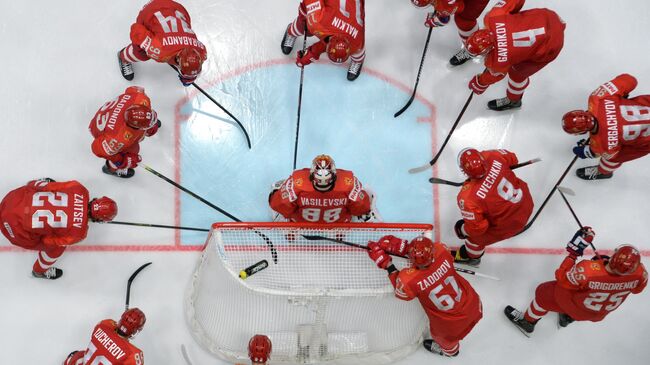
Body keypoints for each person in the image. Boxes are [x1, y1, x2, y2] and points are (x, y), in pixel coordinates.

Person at [505, 227, 647, 336]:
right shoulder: (641, 274)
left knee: (542, 293)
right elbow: (637, 289)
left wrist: (573, 253)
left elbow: (561, 278)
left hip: (576, 305)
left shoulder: (588, 271)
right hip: (597, 313)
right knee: (583, 298)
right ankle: (566, 318)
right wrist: (604, 268)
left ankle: (528, 322)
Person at [367, 235, 482, 357]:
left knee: (446, 341)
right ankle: (450, 350)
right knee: (460, 325)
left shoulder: (408, 280)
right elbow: (432, 251)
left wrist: (387, 264)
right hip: (473, 304)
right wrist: (407, 248)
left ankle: (450, 352)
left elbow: (401, 293)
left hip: (450, 326)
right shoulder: (442, 250)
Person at [0, 179, 117, 280]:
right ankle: (39, 271)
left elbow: (48, 187)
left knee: (45, 186)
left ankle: (35, 182)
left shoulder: (79, 188)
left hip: (11, 200)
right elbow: (48, 242)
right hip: (13, 229)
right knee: (55, 249)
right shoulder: (78, 233)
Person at [465, 0, 565, 110]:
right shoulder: (493, 16)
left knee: (517, 74)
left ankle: (514, 101)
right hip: (549, 17)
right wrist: (512, 20)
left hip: (552, 44)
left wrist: (480, 83)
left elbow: (494, 76)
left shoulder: (497, 61)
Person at [453, 148, 533, 266]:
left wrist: (463, 230)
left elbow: (478, 229)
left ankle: (472, 258)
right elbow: (513, 158)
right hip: (526, 202)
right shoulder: (492, 155)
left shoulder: (467, 198)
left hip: (512, 223)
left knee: (475, 238)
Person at [562, 73, 650, 180]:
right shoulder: (597, 97)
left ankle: (603, 172)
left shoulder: (601, 144)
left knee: (614, 158)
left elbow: (603, 153)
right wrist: (622, 94)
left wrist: (586, 151)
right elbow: (630, 80)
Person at [118, 0, 208, 86]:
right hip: (150, 10)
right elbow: (136, 30)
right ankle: (123, 57)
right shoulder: (159, 51)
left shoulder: (202, 50)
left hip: (175, 7)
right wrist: (145, 44)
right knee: (141, 54)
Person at [268, 154, 376, 223]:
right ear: (333, 175)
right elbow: (362, 207)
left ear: (312, 175)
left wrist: (277, 193)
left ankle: (289, 231)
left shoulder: (297, 183)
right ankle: (342, 232)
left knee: (277, 193)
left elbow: (276, 204)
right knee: (366, 194)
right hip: (338, 223)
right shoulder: (348, 183)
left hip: (301, 224)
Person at [280, 0, 366, 81]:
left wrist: (313, 52)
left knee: (358, 50)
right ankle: (291, 32)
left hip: (335, 18)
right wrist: (304, 16)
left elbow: (329, 41)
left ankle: (357, 61)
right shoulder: (318, 21)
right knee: (304, 26)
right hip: (328, 19)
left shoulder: (357, 41)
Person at [89, 86, 161, 178]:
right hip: (100, 131)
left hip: (109, 117)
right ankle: (111, 168)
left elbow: (131, 89)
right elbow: (97, 148)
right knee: (132, 151)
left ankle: (147, 124)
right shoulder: (117, 138)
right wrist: (121, 160)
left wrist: (146, 121)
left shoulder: (140, 98)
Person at [410, 0, 490, 66]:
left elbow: (446, 18)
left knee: (464, 20)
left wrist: (437, 19)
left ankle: (472, 49)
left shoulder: (446, 4)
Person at [63, 308, 146, 365]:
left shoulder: (104, 325)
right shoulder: (133, 355)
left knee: (80, 355)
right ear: (136, 331)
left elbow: (112, 324)